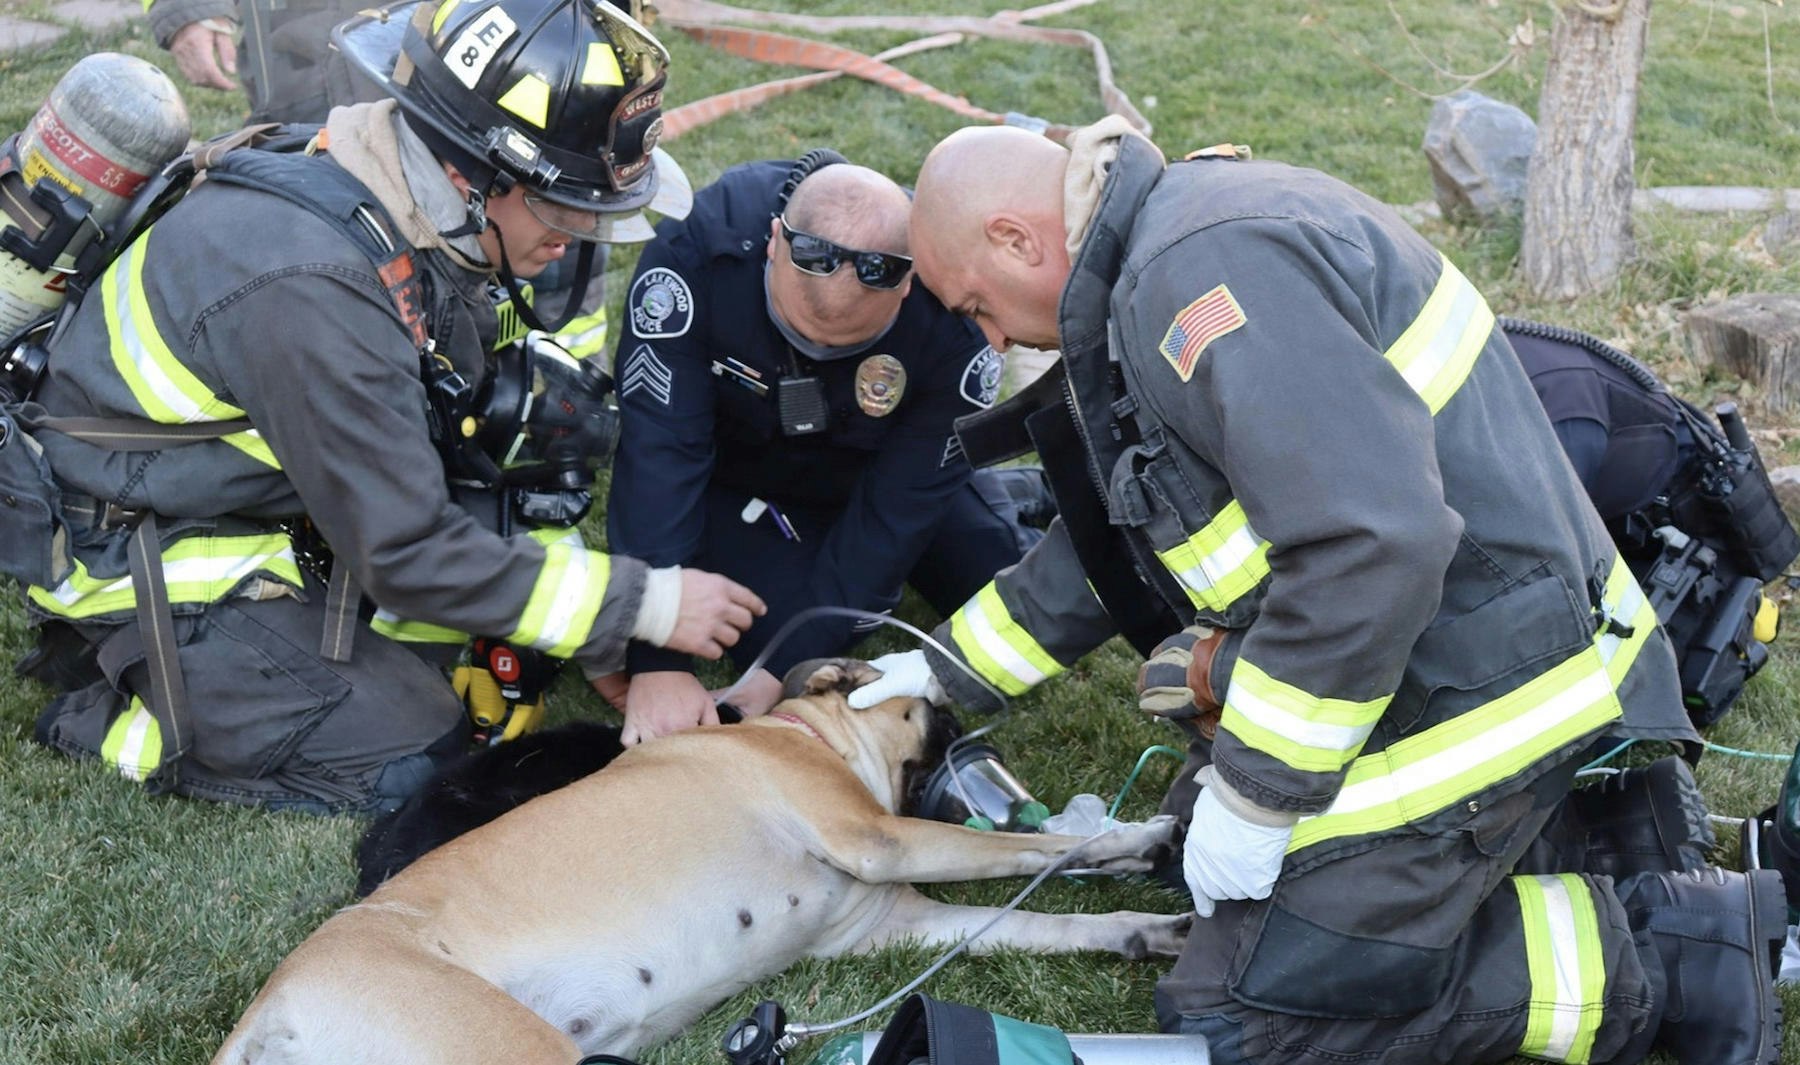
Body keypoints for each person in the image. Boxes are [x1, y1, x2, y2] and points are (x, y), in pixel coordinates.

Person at [852, 120, 1784, 1065]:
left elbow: (1369, 543)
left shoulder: (1197, 280)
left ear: (1016, 237)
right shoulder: (1163, 259)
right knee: (1197, 864)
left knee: (1245, 1011)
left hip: (1489, 688)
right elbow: (1109, 543)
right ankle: (1588, 841)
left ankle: (1664, 953)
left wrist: (1259, 796)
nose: (992, 334)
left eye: (976, 304)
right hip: (1446, 651)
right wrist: (939, 673)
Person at [15, 0, 764, 812]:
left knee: (490, 632)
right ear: (467, 177)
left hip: (245, 494)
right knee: (411, 758)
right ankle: (113, 702)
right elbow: (406, 550)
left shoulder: (385, 187)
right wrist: (642, 604)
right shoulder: (313, 287)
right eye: (563, 208)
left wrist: (578, 627)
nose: (576, 237)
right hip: (139, 542)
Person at [600, 151, 1051, 743]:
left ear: (911, 281)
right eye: (795, 331)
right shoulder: (698, 253)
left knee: (987, 589)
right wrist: (657, 656)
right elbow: (660, 452)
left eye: (845, 347)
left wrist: (784, 674)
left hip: (879, 466)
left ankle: (1015, 492)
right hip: (741, 472)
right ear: (771, 244)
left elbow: (898, 511)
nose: (817, 355)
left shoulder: (954, 312)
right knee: (761, 632)